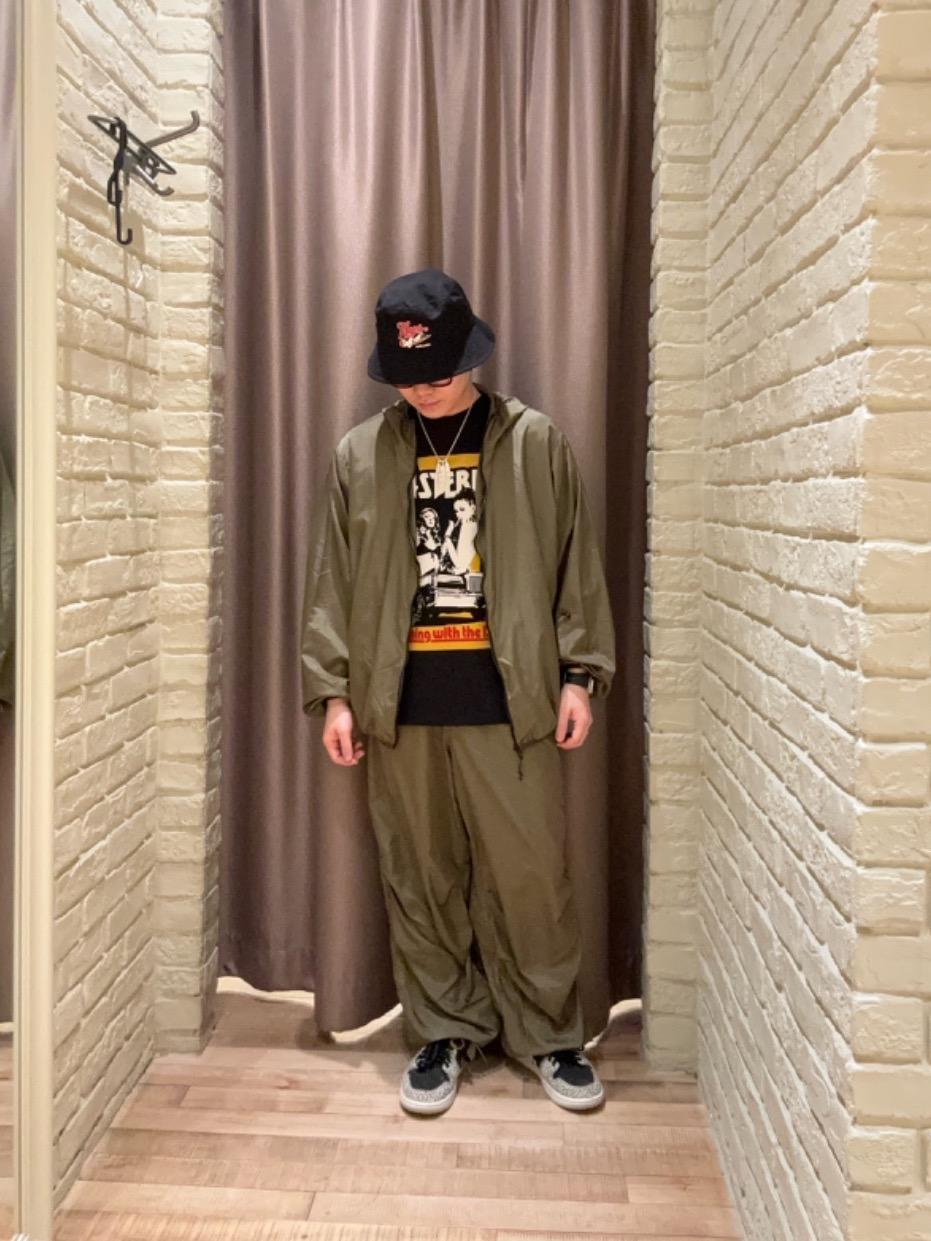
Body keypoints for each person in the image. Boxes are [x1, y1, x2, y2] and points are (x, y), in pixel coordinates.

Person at [300, 268, 615, 1115]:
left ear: (470, 356)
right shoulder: (360, 455)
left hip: (511, 701)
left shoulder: (534, 442)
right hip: (397, 702)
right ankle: (443, 1028)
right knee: (421, 875)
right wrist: (333, 693)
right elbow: (331, 581)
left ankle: (549, 1033)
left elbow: (575, 565)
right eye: (409, 376)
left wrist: (580, 674)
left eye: (438, 372)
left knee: (530, 876)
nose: (425, 389)